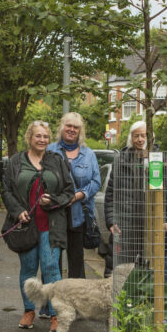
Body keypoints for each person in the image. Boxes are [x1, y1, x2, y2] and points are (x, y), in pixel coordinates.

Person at [2, 120, 75, 332]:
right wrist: (17, 211)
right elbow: (6, 190)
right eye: (38, 136)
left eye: (45, 136)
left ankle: (55, 314)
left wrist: (52, 201)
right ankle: (28, 310)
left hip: (51, 225)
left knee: (52, 269)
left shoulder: (57, 161)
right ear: (29, 138)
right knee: (28, 269)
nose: (42, 140)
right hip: (26, 225)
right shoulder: (16, 161)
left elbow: (69, 192)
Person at [47, 112, 101, 279]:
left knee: (76, 263)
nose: (71, 129)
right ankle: (50, 303)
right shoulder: (49, 151)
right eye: (68, 126)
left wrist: (78, 195)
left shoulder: (89, 154)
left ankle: (77, 302)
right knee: (51, 262)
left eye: (75, 127)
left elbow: (96, 182)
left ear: (80, 131)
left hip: (78, 216)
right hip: (54, 214)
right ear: (62, 127)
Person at [104, 120, 148, 270]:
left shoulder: (157, 160)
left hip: (147, 226)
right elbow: (110, 194)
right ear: (131, 138)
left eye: (143, 135)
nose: (140, 139)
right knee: (118, 268)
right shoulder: (120, 160)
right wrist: (111, 221)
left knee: (144, 269)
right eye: (136, 136)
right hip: (123, 224)